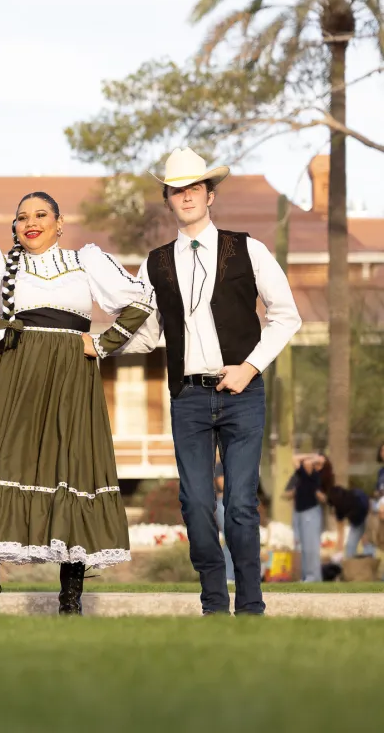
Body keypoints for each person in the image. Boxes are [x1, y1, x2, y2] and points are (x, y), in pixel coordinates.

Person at [0, 191, 155, 613]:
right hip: (10, 378)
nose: (31, 222)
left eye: (41, 215)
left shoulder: (86, 262)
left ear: (59, 223)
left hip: (69, 379)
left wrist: (103, 343)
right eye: (23, 216)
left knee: (71, 470)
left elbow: (141, 301)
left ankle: (70, 602)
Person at [117, 148, 302, 616]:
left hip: (243, 392)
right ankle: (214, 603)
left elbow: (286, 316)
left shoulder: (248, 248)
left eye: (194, 188)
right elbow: (146, 335)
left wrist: (251, 367)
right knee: (197, 505)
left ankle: (251, 605)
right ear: (168, 199)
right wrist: (97, 346)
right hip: (189, 398)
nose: (186, 196)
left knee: (241, 504)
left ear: (210, 194)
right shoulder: (155, 264)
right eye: (177, 190)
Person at [282, 454, 326, 582]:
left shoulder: (313, 475)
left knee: (311, 546)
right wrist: (311, 455)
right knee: (304, 546)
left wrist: (313, 458)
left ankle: (313, 576)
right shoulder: (301, 474)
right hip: (300, 512)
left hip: (310, 512)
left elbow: (319, 460)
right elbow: (294, 458)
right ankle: (306, 575)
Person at [327, 484, 375, 559]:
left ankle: (366, 565)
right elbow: (341, 532)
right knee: (353, 545)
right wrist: (339, 552)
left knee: (361, 544)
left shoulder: (355, 497)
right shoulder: (339, 508)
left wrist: (366, 533)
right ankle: (357, 564)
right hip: (360, 519)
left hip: (366, 515)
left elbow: (369, 509)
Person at [213, 460, 235, 583]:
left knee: (235, 539)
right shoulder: (220, 466)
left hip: (233, 503)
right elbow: (222, 485)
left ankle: (232, 575)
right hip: (223, 503)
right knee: (228, 539)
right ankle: (227, 575)